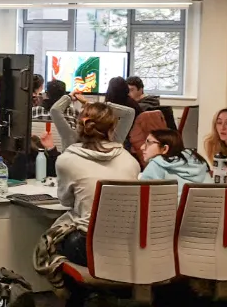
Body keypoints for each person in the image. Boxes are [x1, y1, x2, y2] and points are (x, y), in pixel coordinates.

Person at [52, 102, 141, 266]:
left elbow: (66, 202)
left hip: (88, 245)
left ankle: (68, 288)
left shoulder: (67, 160)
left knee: (49, 243)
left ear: (80, 127)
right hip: (129, 244)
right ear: (112, 129)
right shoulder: (130, 161)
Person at [140, 129, 209, 197]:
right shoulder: (200, 163)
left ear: (164, 149)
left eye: (148, 143)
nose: (142, 147)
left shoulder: (156, 165)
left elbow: (143, 198)